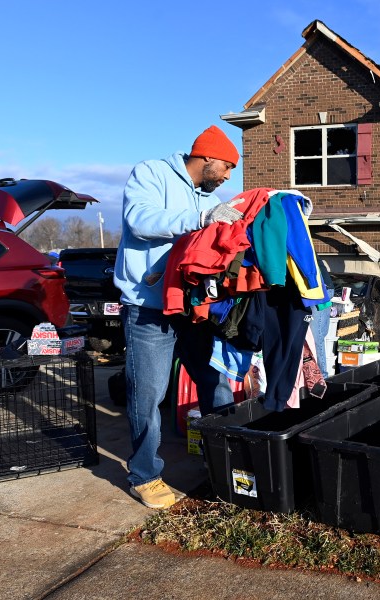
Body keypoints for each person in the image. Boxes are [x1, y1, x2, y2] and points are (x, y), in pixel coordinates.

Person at [114, 125, 243, 509]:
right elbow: (140, 219)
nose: (227, 177)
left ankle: (221, 455)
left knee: (214, 381)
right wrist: (202, 218)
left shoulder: (209, 196)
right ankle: (145, 475)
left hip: (191, 307)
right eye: (227, 168)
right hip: (148, 307)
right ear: (208, 159)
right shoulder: (150, 174)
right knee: (149, 392)